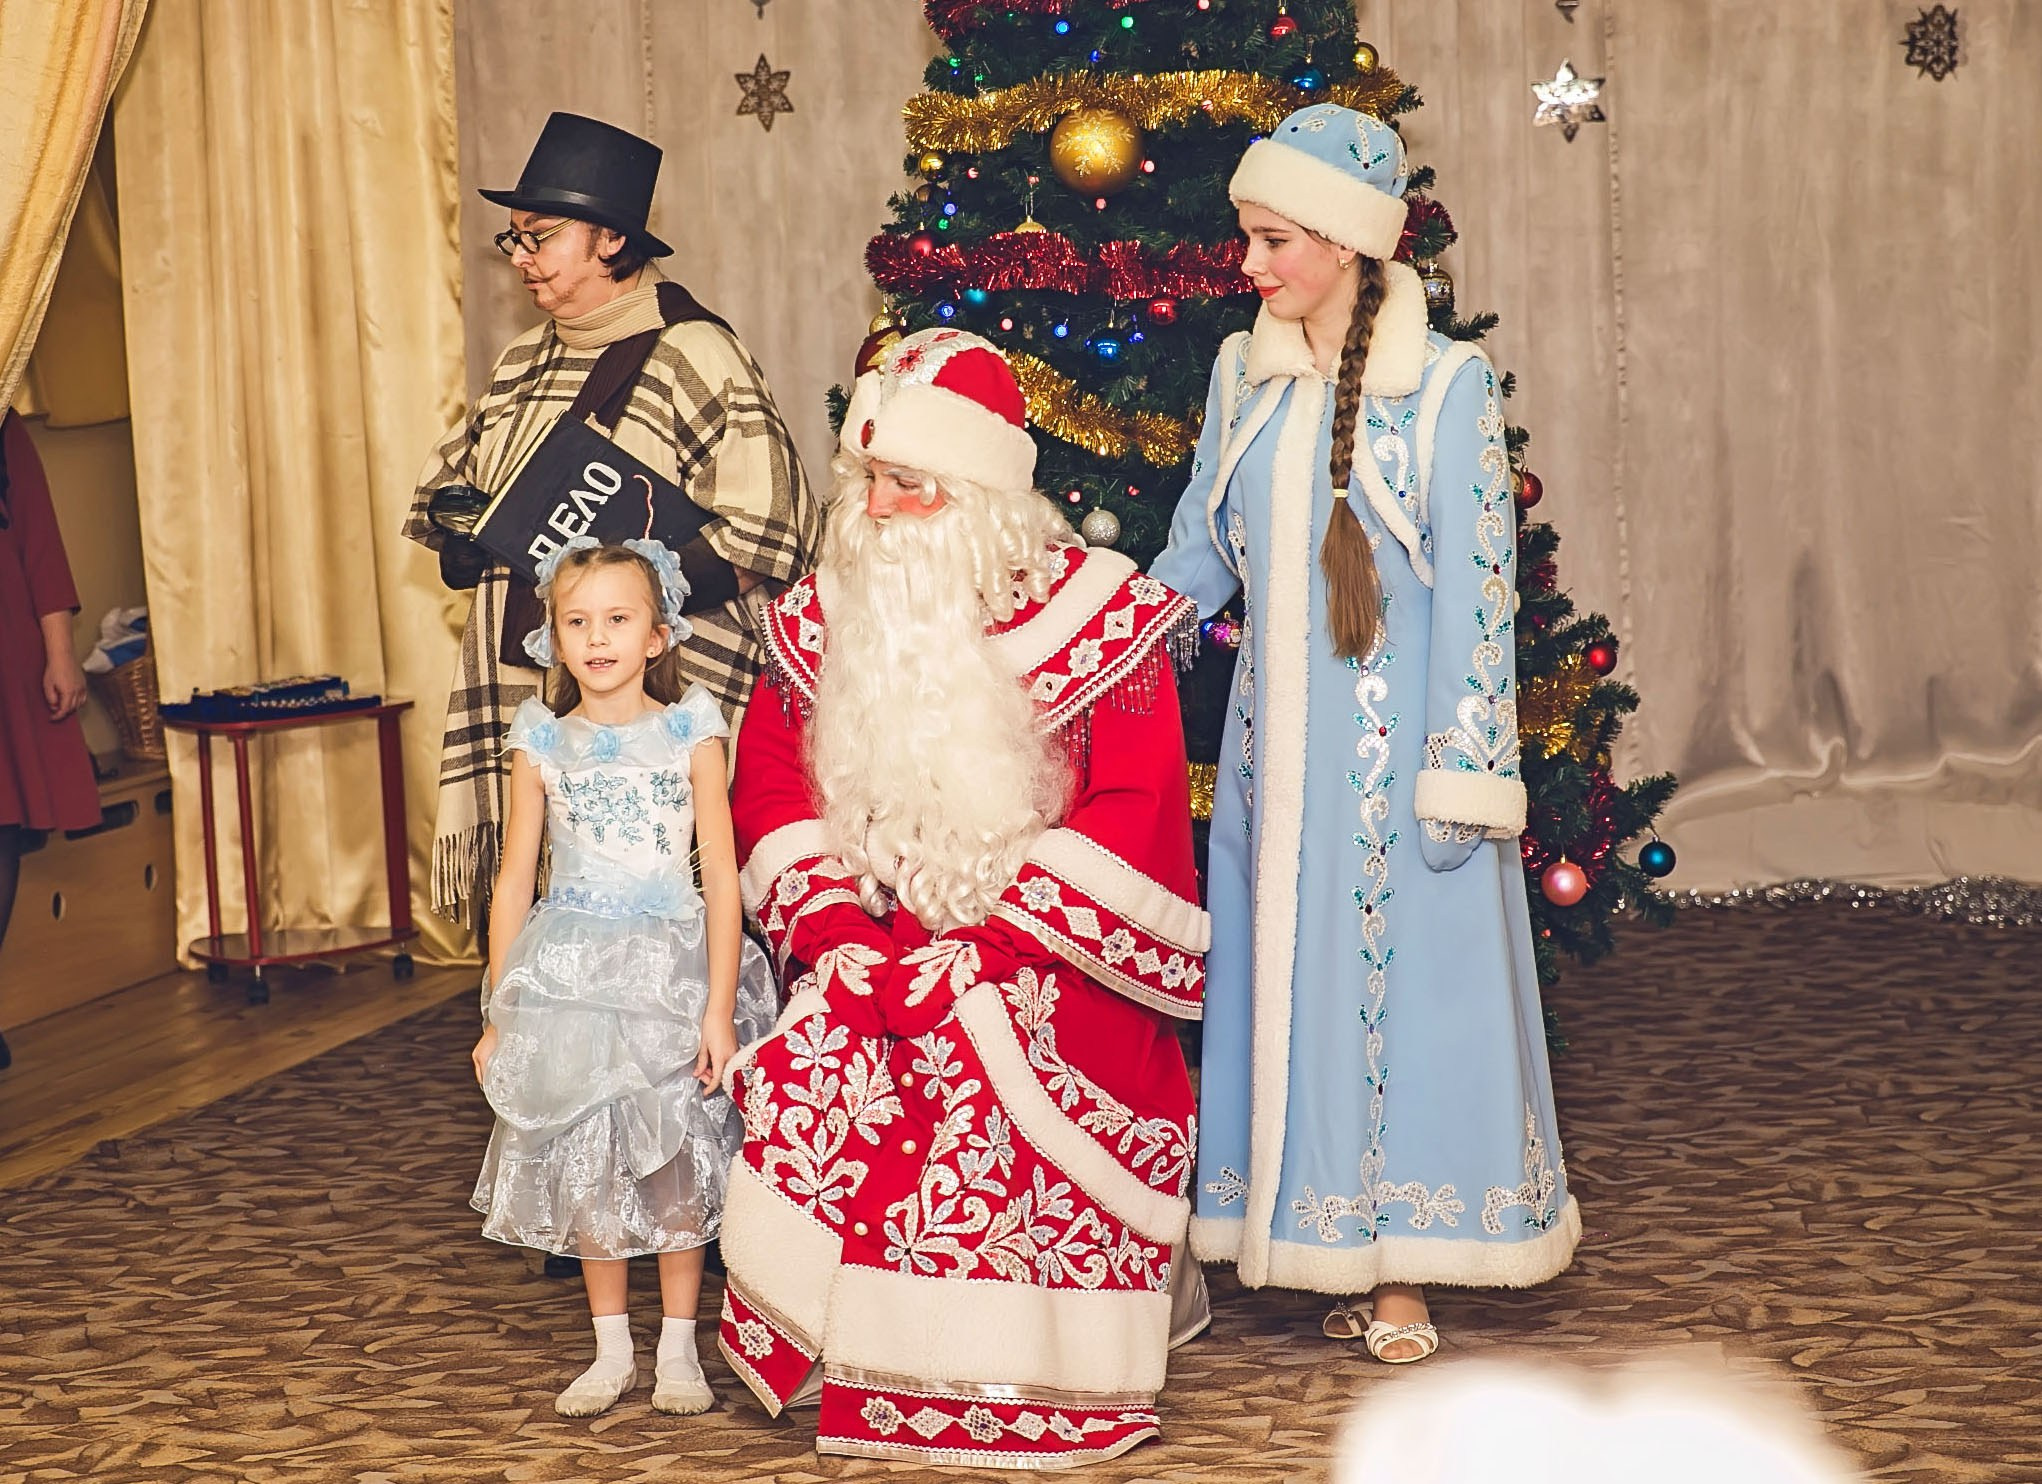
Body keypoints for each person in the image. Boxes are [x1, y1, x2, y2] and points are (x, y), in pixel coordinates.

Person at [716, 329, 1209, 1468]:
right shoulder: (819, 619)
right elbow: (772, 787)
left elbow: (1132, 808)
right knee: (829, 1037)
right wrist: (835, 931)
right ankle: (861, 1347)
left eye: (907, 485)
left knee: (984, 1047)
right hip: (878, 929)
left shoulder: (1099, 616)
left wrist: (995, 946)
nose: (877, 511)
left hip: (1043, 944)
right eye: (867, 480)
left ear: (981, 494)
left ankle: (1020, 1368)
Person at [1152, 104, 1579, 1363]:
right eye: (1246, 238)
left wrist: (1463, 769)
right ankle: (1311, 1228)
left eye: (1271, 240)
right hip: (1267, 766)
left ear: (1342, 244)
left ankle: (1400, 1268)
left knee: (1390, 1000)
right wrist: (1081, 634)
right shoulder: (1245, 371)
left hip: (1391, 772)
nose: (1248, 265)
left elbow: (1484, 588)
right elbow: (1196, 551)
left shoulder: (1440, 388)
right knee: (1283, 990)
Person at [404, 111, 821, 940]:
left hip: (656, 694)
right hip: (529, 682)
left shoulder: (691, 353)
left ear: (609, 240)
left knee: (658, 925)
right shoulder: (523, 361)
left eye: (539, 237)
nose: (519, 257)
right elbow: (445, 492)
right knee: (551, 913)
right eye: (512, 240)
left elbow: (773, 529)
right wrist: (470, 525)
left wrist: (635, 602)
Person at [468, 537, 776, 1418]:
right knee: (588, 1162)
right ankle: (612, 1349)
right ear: (553, 638)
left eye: (617, 618)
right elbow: (514, 877)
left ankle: (680, 1348)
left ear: (656, 634)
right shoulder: (541, 739)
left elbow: (720, 872)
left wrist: (718, 1009)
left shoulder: (691, 730)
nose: (596, 637)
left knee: (672, 1159)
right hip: (570, 974)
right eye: (576, 621)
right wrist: (502, 1009)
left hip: (670, 973)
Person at [0, 410, 98, 1072]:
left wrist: (60, 651)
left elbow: (39, 538)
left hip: (5, 642)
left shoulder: (1, 412)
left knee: (1, 825)